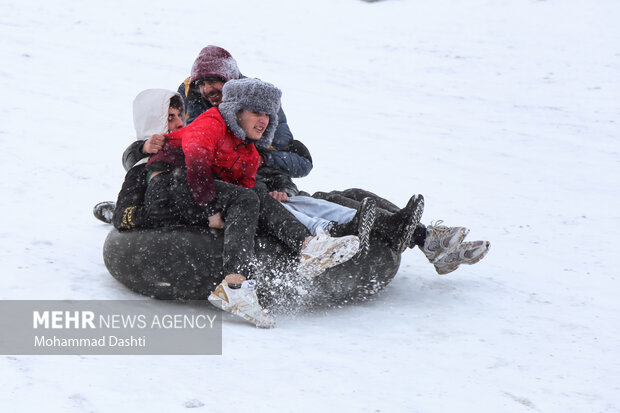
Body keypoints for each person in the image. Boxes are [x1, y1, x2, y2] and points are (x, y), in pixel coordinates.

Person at [145, 78, 366, 328]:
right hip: (168, 185)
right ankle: (234, 286)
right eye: (256, 112)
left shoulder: (248, 152)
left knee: (255, 195)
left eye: (268, 114)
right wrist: (213, 211)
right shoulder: (210, 122)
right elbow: (196, 166)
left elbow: (251, 195)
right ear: (236, 110)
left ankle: (307, 246)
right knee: (245, 197)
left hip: (201, 190)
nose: (264, 120)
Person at [313, 188, 490, 274]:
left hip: (292, 195)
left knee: (354, 194)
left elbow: (302, 163)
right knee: (328, 199)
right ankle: (421, 238)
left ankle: (428, 240)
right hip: (293, 204)